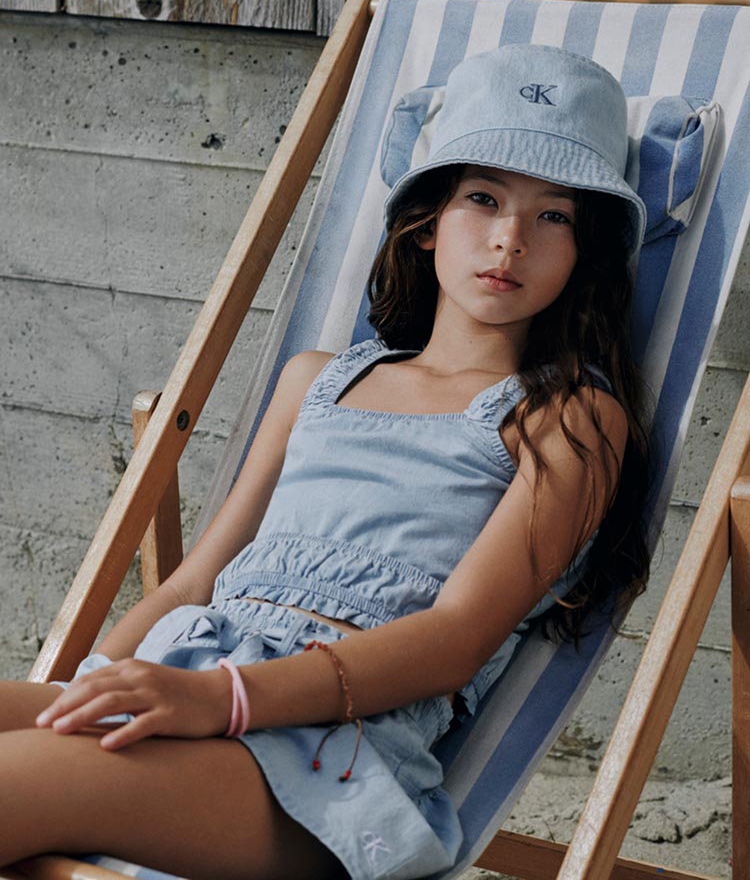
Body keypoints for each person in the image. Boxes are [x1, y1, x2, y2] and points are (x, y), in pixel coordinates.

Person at [0, 44, 651, 880]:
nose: (509, 239)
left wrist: (217, 701)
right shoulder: (319, 379)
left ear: (583, 250)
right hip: (184, 679)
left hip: (324, 765)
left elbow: (454, 641)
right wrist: (96, 688)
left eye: (552, 216)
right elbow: (194, 582)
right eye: (481, 198)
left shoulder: (565, 418)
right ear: (424, 224)